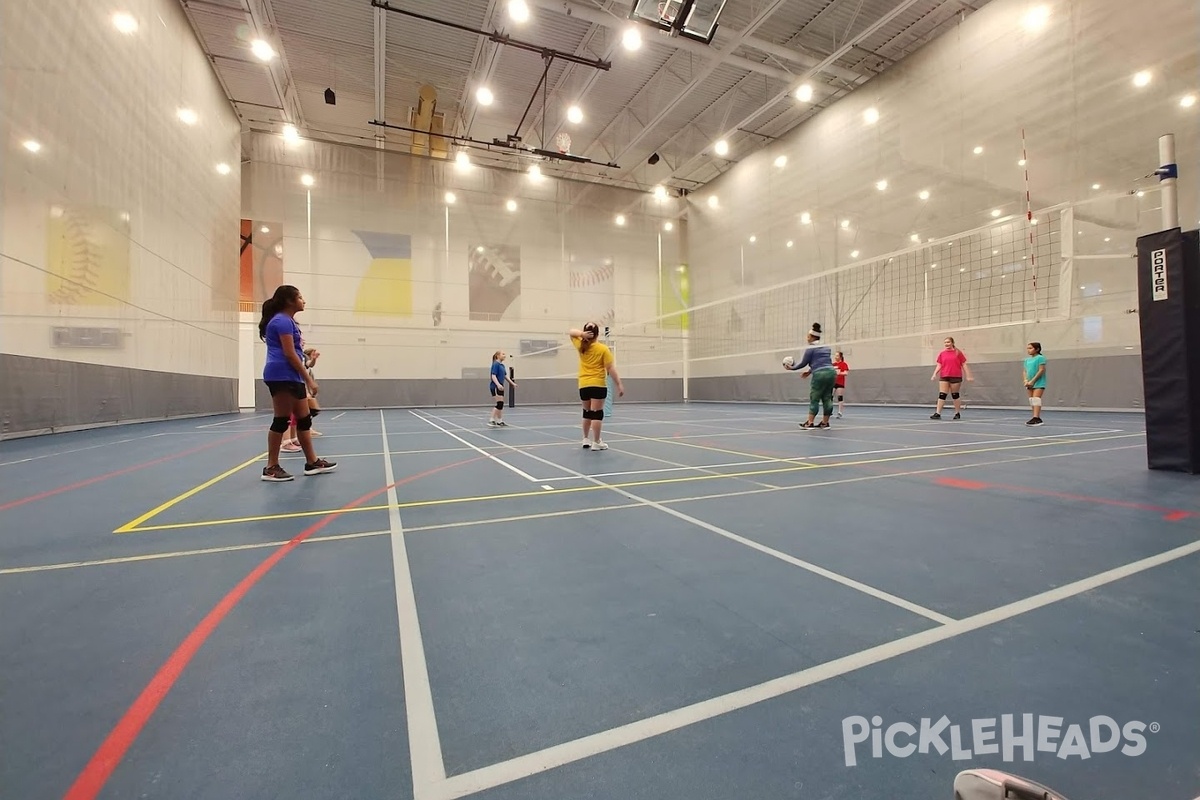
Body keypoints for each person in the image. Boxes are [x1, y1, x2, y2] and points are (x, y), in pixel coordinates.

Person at [258, 285, 337, 481]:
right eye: (300, 297)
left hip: (292, 375)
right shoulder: (281, 321)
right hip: (281, 374)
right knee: (281, 420)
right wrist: (309, 379)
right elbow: (290, 354)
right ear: (289, 301)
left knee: (304, 419)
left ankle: (312, 462)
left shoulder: (290, 322)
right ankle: (271, 467)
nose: (304, 301)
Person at [569, 322, 624, 450]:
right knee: (596, 414)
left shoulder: (581, 346)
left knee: (586, 412)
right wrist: (619, 384)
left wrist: (581, 334)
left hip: (583, 385)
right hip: (598, 384)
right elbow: (610, 368)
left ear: (586, 333)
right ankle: (597, 441)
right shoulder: (603, 349)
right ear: (597, 334)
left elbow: (571, 332)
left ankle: (585, 439)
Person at [783, 323, 837, 429]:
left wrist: (791, 368)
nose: (807, 338)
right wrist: (809, 371)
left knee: (815, 398)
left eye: (808, 336)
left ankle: (810, 423)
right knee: (827, 398)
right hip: (831, 373)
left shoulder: (811, 348)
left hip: (820, 375)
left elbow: (803, 362)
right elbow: (823, 362)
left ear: (812, 337)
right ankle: (825, 423)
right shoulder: (826, 347)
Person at [930, 336, 972, 420]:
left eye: (948, 342)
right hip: (944, 376)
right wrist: (934, 374)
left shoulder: (958, 353)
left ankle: (957, 413)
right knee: (942, 394)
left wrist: (968, 375)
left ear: (952, 343)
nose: (946, 344)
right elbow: (939, 364)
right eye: (945, 342)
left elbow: (964, 364)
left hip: (955, 376)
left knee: (955, 395)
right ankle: (937, 413)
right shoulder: (942, 353)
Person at [488, 350, 516, 427]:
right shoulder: (495, 364)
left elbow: (505, 376)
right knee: (499, 404)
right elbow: (493, 376)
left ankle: (499, 421)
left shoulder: (502, 366)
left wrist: (512, 383)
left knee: (501, 404)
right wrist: (498, 385)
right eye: (503, 354)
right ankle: (491, 420)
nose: (504, 356)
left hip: (500, 387)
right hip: (495, 387)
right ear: (497, 356)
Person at [1023, 342, 1047, 426]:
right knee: (1032, 400)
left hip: (1038, 382)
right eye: (1028, 348)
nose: (1028, 350)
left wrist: (1033, 381)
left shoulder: (1040, 358)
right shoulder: (1026, 360)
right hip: (1029, 383)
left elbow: (1041, 370)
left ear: (1037, 349)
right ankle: (1034, 417)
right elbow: (1025, 371)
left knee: (1036, 399)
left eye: (1031, 348)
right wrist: (1026, 381)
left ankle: (1037, 418)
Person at [832, 350, 850, 418]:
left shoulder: (843, 364)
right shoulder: (833, 365)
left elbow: (846, 373)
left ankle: (840, 412)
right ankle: (829, 410)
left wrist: (839, 373)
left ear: (840, 357)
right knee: (830, 397)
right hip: (833, 382)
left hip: (840, 383)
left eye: (837, 355)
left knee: (840, 397)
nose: (835, 357)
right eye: (835, 355)